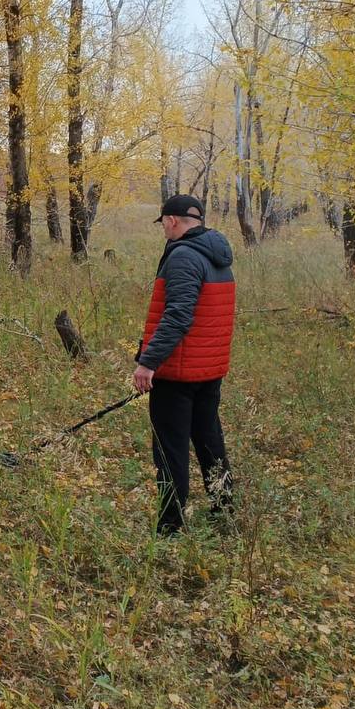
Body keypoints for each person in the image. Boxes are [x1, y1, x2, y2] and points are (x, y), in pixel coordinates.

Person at [132, 194, 236, 534]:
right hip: (209, 370)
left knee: (170, 451)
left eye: (163, 222)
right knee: (209, 441)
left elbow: (177, 316)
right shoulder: (217, 255)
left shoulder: (183, 257)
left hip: (178, 373)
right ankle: (224, 510)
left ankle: (170, 528)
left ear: (173, 220)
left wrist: (148, 363)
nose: (163, 228)